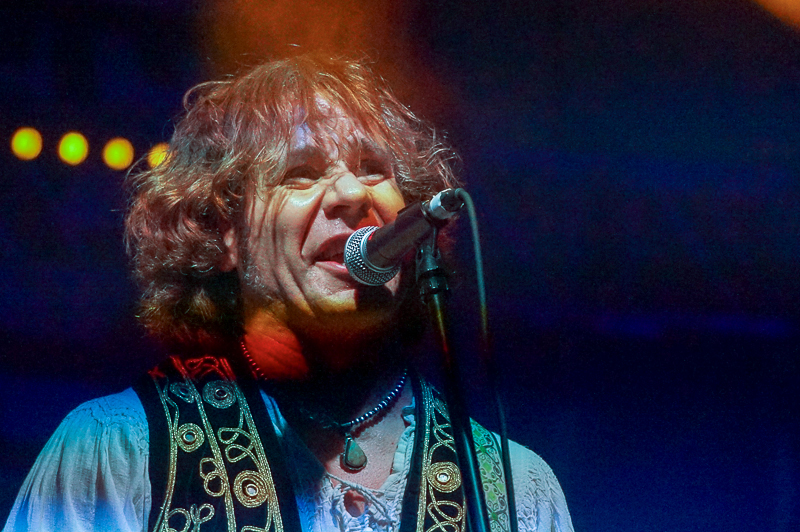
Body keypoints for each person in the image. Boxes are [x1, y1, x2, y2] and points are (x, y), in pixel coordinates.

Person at [4, 54, 573, 532]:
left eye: (374, 168)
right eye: (301, 172)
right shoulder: (117, 453)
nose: (351, 193)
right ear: (223, 233)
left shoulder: (514, 490)